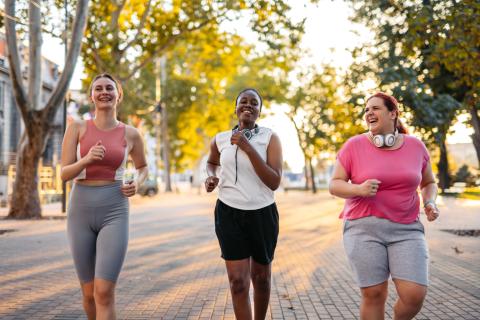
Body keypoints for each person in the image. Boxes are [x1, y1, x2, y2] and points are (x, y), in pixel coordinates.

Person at [329, 92, 440, 320]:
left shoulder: (416, 146)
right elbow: (335, 184)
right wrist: (358, 189)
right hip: (363, 228)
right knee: (374, 294)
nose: (369, 113)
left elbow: (429, 182)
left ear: (393, 113)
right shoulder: (354, 145)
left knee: (414, 295)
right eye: (366, 109)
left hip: (407, 229)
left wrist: (430, 201)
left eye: (375, 108)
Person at [61, 73, 148, 320]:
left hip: (115, 208)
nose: (104, 92)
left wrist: (137, 183)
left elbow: (142, 167)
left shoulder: (131, 134)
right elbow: (64, 174)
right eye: (98, 88)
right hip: (80, 209)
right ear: (92, 96)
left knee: (104, 292)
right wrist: (87, 159)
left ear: (118, 95)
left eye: (109, 88)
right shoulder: (77, 128)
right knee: (88, 294)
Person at [205, 88, 283, 320]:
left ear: (260, 110)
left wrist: (247, 148)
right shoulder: (220, 138)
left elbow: (274, 181)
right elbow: (211, 162)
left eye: (254, 103)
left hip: (262, 214)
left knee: (261, 279)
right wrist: (210, 176)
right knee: (238, 282)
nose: (248, 106)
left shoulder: (270, 137)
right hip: (228, 212)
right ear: (236, 107)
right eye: (243, 102)